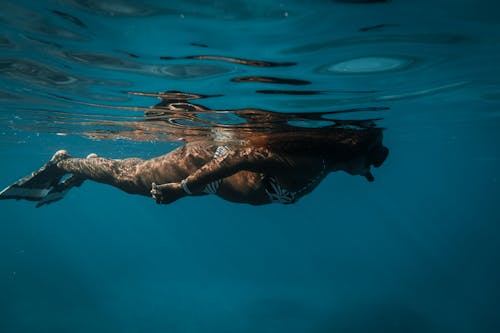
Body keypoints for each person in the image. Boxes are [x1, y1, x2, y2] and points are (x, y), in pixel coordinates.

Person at [0, 92, 389, 207]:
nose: (372, 167)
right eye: (374, 158)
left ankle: (86, 166)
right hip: (206, 166)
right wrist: (181, 189)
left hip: (211, 182)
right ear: (349, 151)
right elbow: (244, 157)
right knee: (133, 180)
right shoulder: (310, 161)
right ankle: (65, 162)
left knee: (135, 173)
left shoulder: (322, 162)